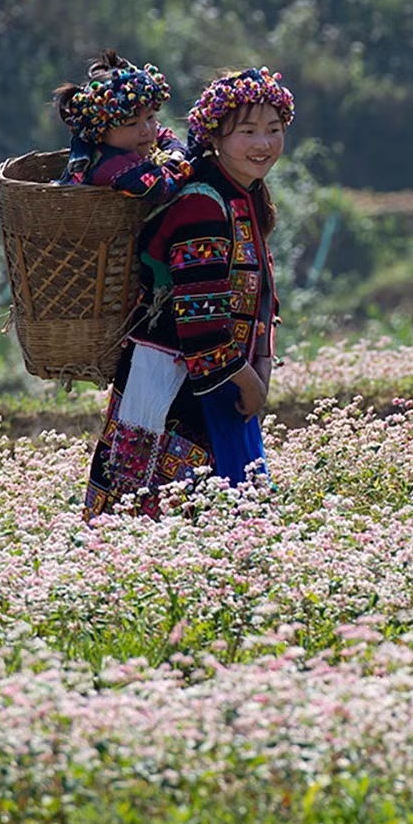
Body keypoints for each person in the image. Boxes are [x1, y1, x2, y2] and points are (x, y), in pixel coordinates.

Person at [81, 66, 294, 519]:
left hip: (223, 381)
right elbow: (200, 323)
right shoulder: (201, 204)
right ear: (214, 136)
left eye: (273, 129)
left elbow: (259, 297)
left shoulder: (241, 197)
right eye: (248, 131)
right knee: (171, 524)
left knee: (220, 529)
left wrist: (261, 364)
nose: (263, 143)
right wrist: (251, 384)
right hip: (181, 387)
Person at [51, 49, 191, 200]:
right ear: (101, 131)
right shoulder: (112, 166)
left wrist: (176, 150)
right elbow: (161, 187)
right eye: (132, 124)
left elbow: (162, 134)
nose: (146, 130)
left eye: (150, 117)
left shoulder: (133, 140)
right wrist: (176, 162)